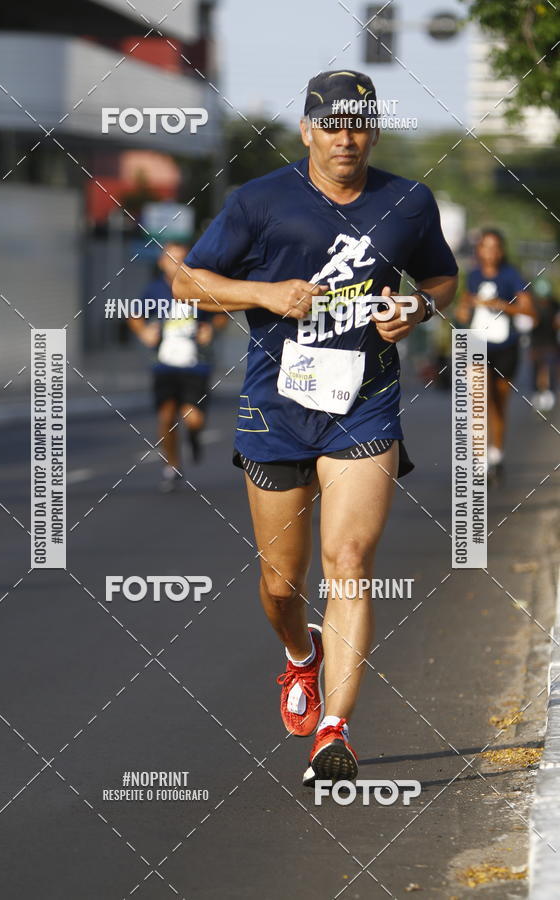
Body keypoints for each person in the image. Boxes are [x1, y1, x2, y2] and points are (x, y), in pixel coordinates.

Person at [173, 70, 458, 785]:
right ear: (306, 131)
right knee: (280, 583)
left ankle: (335, 731)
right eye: (331, 124)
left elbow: (442, 280)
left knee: (351, 560)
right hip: (276, 410)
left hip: (365, 403)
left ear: (373, 130)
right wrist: (263, 292)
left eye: (358, 123)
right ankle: (301, 657)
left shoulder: (408, 201)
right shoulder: (259, 201)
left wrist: (417, 310)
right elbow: (187, 280)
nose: (345, 136)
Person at [128, 243, 227, 491]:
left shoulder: (200, 286)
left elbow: (222, 312)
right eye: (172, 259)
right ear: (162, 262)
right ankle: (172, 465)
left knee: (192, 419)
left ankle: (194, 438)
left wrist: (211, 329)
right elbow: (134, 314)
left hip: (196, 365)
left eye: (183, 259)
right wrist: (144, 333)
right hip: (164, 365)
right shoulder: (155, 290)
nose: (177, 264)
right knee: (166, 416)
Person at [456, 230, 537, 484]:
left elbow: (529, 312)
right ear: (478, 250)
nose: (489, 252)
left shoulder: (511, 275)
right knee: (478, 401)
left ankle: (496, 454)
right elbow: (460, 314)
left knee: (499, 403)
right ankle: (480, 461)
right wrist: (466, 305)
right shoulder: (472, 276)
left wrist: (502, 305)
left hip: (506, 347)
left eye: (494, 247)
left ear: (501, 250)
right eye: (484, 246)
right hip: (478, 344)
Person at [529, 277, 559, 412]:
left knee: (551, 368)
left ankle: (550, 393)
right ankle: (537, 392)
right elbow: (527, 324)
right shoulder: (532, 306)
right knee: (537, 368)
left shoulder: (555, 305)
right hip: (536, 343)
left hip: (551, 343)